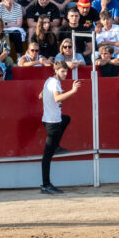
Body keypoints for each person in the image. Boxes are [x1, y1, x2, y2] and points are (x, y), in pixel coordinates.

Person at [38, 62, 82, 195]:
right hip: (53, 122)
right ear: (56, 71)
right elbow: (57, 98)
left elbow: (40, 96)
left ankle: (56, 146)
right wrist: (73, 91)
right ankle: (46, 185)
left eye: (66, 71)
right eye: (62, 71)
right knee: (47, 156)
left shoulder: (49, 81)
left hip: (49, 119)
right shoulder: (55, 83)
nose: (65, 74)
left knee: (66, 118)